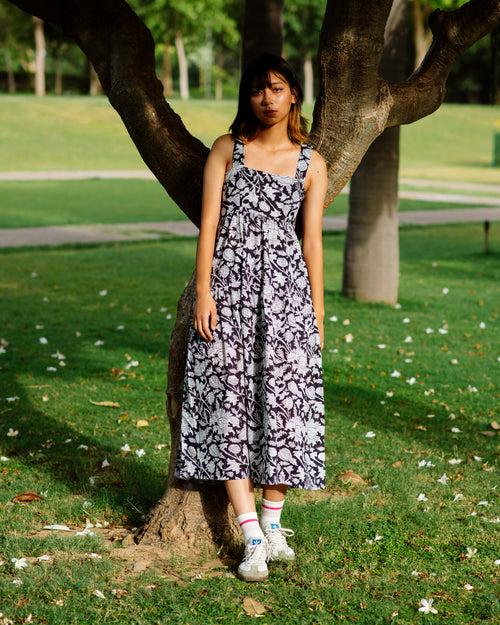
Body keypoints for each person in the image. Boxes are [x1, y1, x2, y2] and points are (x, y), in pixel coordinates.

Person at [174, 52, 328, 582]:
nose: (267, 98)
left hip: (287, 299)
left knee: (285, 403)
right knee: (228, 403)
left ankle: (274, 520)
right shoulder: (227, 151)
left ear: (294, 97)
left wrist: (318, 314)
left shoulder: (312, 162)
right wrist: (203, 291)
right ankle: (252, 536)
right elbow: (209, 225)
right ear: (248, 97)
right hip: (229, 295)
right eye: (258, 89)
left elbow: (312, 241)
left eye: (278, 88)